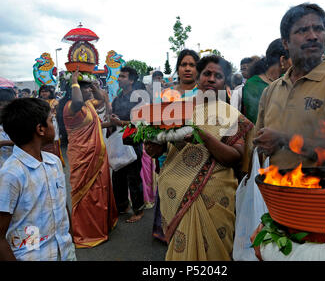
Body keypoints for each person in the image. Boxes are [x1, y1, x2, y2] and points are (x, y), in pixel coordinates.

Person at [145, 55, 254, 260]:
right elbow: (163, 147)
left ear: (225, 83)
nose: (211, 79)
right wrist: (154, 147)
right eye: (207, 73)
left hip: (215, 195)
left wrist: (202, 135)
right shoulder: (177, 108)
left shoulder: (231, 115)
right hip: (175, 191)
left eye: (218, 76)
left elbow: (236, 158)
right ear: (199, 77)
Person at [254, 3, 325, 171]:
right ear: (286, 43)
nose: (313, 36)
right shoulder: (272, 90)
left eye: (319, 29)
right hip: (274, 194)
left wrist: (286, 140)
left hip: (319, 195)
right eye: (302, 31)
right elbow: (258, 144)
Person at [0, 98, 76, 261]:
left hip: (64, 251)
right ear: (40, 129)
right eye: (51, 120)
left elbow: (61, 205)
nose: (54, 125)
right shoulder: (11, 175)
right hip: (33, 255)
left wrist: (69, 240)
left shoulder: (53, 161)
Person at [59, 69, 118, 248]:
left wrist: (94, 86)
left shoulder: (88, 105)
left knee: (100, 191)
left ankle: (102, 225)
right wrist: (75, 80)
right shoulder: (70, 106)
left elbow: (102, 99)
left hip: (98, 158)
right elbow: (77, 99)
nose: (89, 92)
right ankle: (87, 232)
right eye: (86, 89)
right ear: (74, 89)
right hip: (82, 158)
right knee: (87, 195)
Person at [152, 49, 200, 242]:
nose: (187, 69)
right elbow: (154, 125)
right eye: (183, 64)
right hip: (168, 154)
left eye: (192, 65)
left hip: (197, 154)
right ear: (178, 68)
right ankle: (171, 237)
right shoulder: (164, 94)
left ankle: (191, 238)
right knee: (170, 194)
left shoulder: (204, 94)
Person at [106, 66, 146, 223]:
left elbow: (142, 123)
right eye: (119, 76)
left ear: (131, 80)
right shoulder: (117, 98)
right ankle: (122, 206)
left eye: (122, 76)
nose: (119, 78)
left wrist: (120, 122)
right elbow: (112, 120)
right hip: (119, 141)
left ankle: (138, 210)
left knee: (134, 178)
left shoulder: (139, 98)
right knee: (117, 176)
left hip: (134, 140)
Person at [38, 85, 64, 166]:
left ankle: (56, 161)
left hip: (52, 123)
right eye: (42, 91)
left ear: (50, 92)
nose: (44, 93)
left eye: (46, 91)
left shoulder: (55, 101)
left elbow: (53, 111)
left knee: (53, 141)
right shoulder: (38, 101)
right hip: (40, 124)